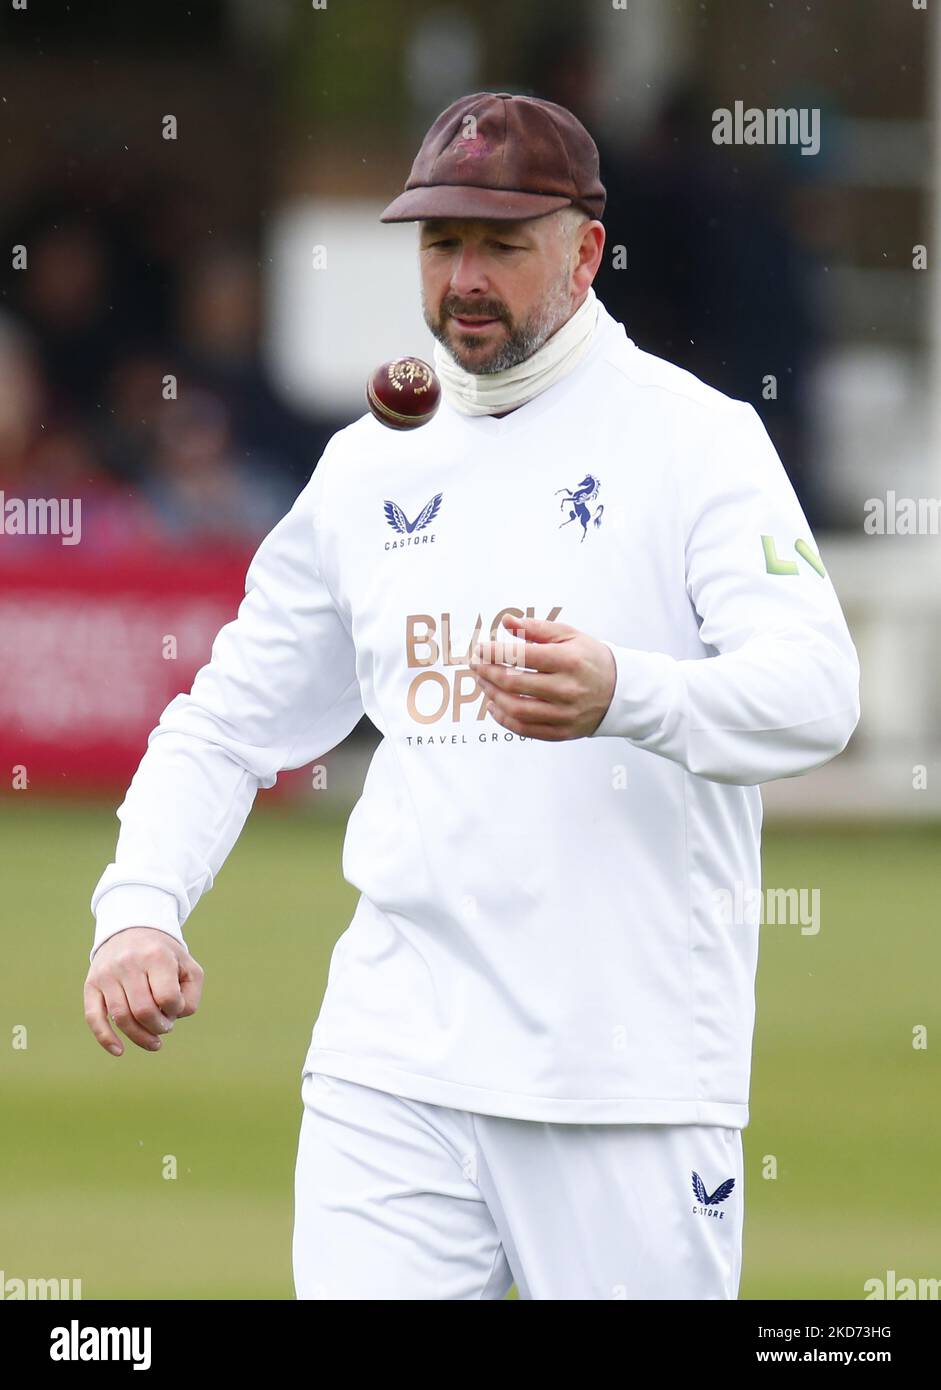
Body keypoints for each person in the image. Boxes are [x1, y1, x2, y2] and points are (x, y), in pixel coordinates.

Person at [84, 92, 861, 1300]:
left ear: (585, 250)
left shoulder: (696, 442)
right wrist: (138, 905)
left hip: (626, 1086)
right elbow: (227, 721)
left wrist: (625, 693)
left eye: (501, 242)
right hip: (388, 1071)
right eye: (440, 244)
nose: (464, 278)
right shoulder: (370, 461)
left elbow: (815, 693)